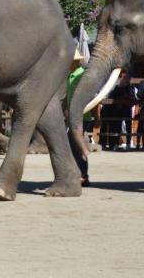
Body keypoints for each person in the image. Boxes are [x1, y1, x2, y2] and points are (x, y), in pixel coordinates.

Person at [66, 49, 89, 186]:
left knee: (78, 145)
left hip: (82, 116)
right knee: (73, 146)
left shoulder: (81, 75)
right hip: (72, 116)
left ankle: (83, 175)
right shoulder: (71, 75)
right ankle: (78, 173)